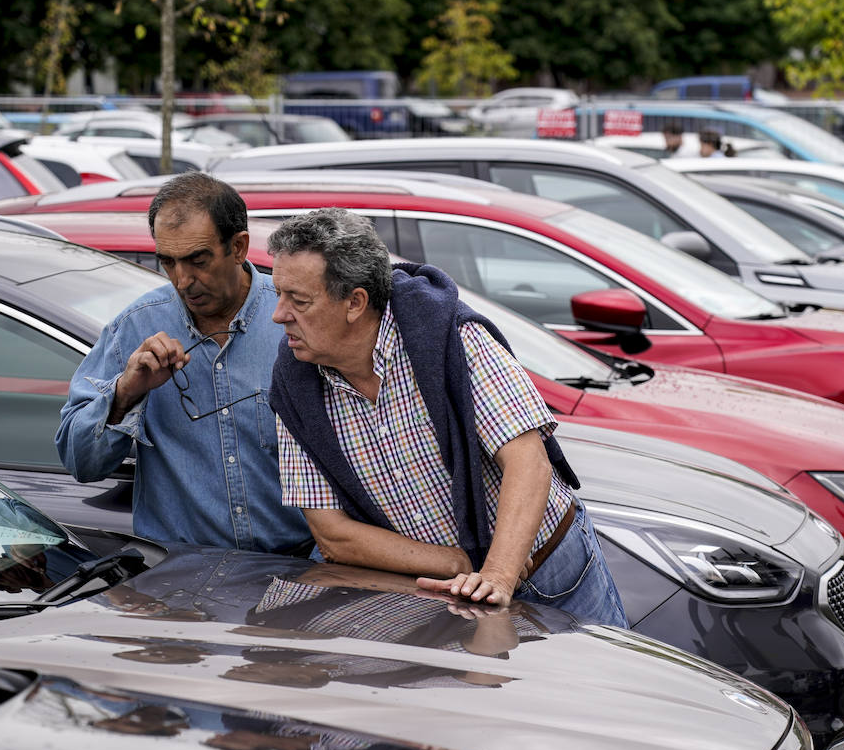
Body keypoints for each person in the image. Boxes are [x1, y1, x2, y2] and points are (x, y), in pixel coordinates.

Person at [266, 207, 627, 628]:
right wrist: (458, 563)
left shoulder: (449, 336)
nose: (278, 314)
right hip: (449, 591)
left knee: (599, 693)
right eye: (278, 294)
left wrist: (497, 574)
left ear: (355, 302)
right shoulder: (294, 382)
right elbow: (332, 533)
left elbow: (528, 461)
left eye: (299, 300)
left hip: (553, 571)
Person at [56, 172, 311, 553]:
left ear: (239, 247)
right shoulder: (136, 327)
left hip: (293, 575)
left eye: (197, 260)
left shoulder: (294, 319)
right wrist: (125, 393)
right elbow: (80, 463)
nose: (182, 280)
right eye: (168, 262)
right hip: (179, 581)